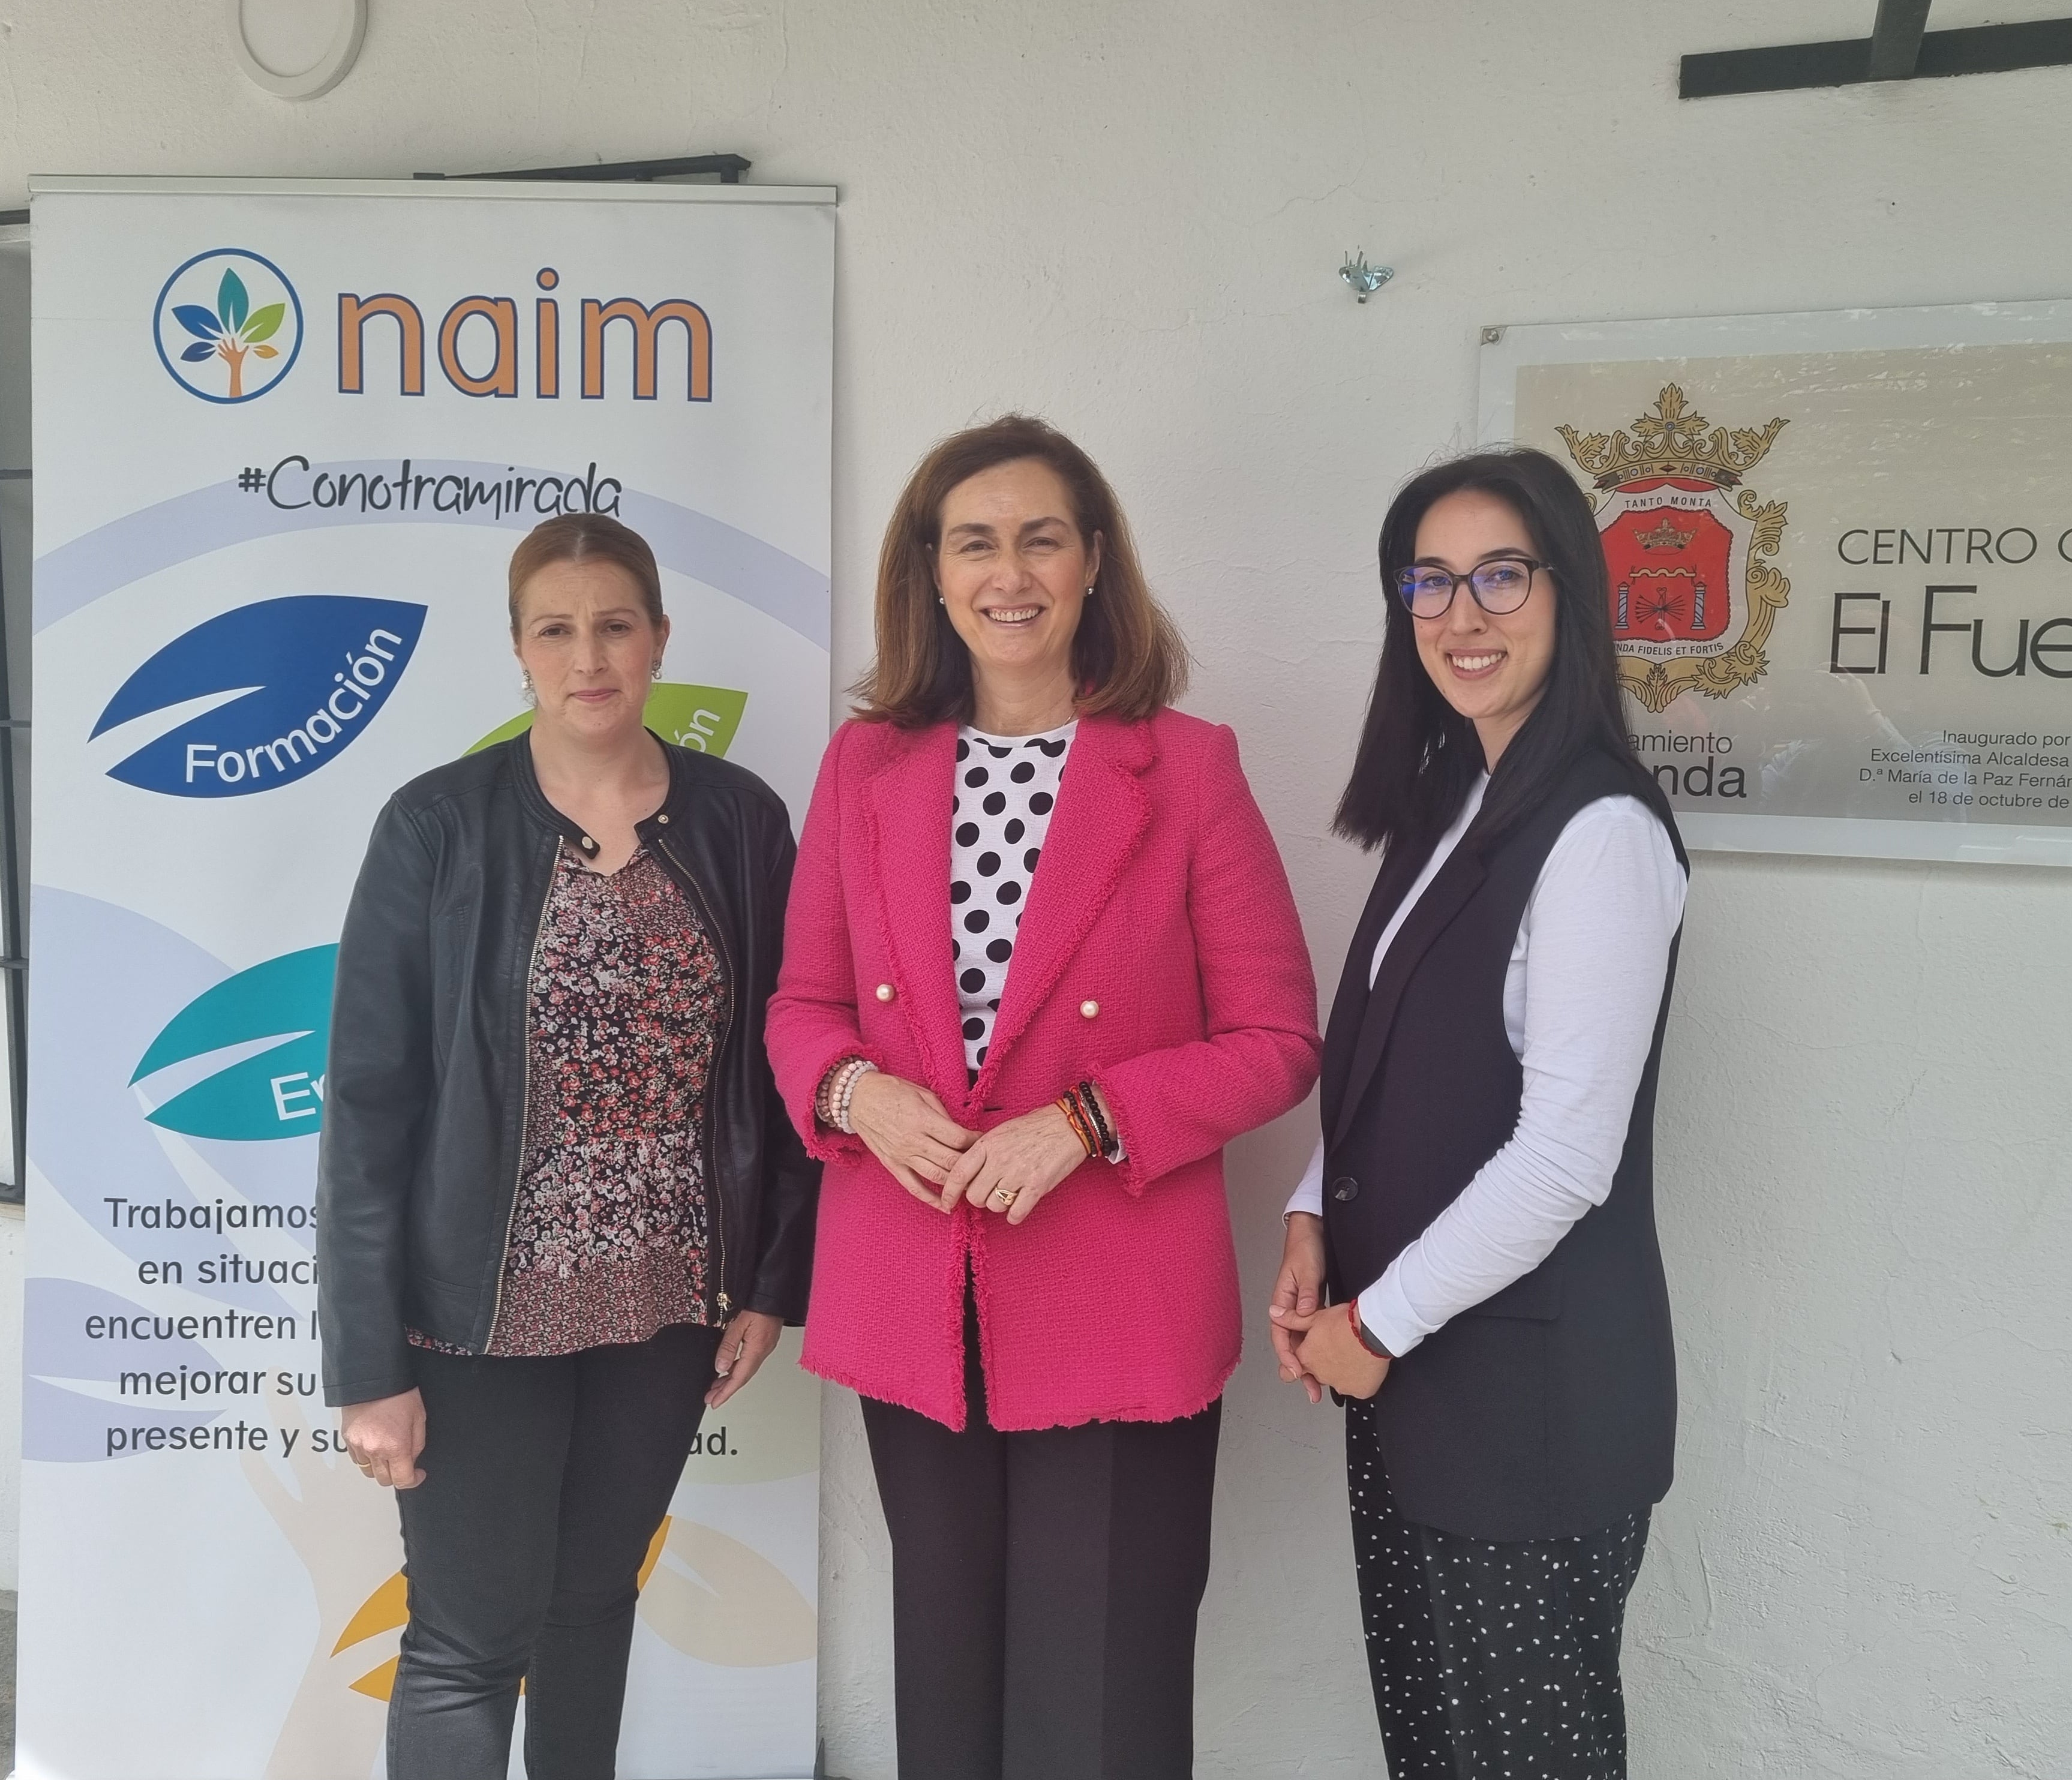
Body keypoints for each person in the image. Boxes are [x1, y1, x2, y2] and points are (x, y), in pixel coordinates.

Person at [770, 415, 1320, 1780]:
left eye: (1039, 538)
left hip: (1114, 1303)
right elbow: (801, 1009)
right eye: (974, 541)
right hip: (915, 1294)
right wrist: (856, 1097)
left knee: (1100, 1703)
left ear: (1090, 567)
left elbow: (1276, 1037)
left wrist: (1086, 1122)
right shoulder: (867, 765)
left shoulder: (1186, 770)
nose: (1006, 571)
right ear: (932, 572)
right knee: (946, 1689)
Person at [318, 513, 817, 1780]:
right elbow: (369, 1103)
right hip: (477, 1317)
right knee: (468, 1640)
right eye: (557, 629)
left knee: (595, 1609)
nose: (587, 655)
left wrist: (769, 1281)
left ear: (658, 639)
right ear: (519, 649)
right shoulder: (436, 828)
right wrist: (364, 1362)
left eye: (614, 625)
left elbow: (784, 1060)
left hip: (663, 1306)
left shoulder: (742, 822)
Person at [1271, 448, 1689, 1780]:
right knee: (1439, 1753)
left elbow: (1566, 1155)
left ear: (1567, 592)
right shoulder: (1449, 802)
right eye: (1430, 581)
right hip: (1415, 1380)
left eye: (1499, 574)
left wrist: (1373, 1323)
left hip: (1528, 1411)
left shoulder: (1599, 834)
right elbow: (1392, 1059)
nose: (1463, 614)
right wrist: (1307, 1218)